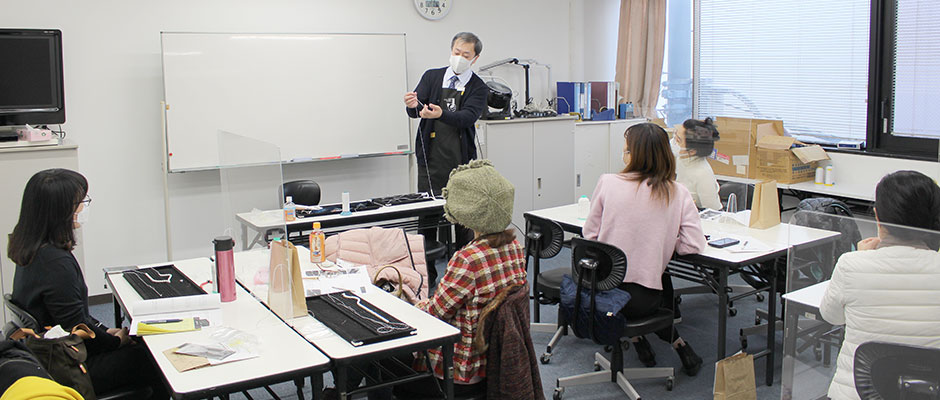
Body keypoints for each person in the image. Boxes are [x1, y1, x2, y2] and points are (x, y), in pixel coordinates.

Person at [9, 169, 167, 399]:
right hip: (70, 365)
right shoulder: (56, 263)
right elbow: (77, 325)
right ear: (60, 211)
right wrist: (113, 341)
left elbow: (75, 318)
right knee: (153, 356)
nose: (84, 207)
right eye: (80, 202)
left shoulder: (31, 248)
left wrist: (105, 332)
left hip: (49, 353)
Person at [582, 123, 706, 376]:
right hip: (643, 301)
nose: (624, 155)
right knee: (659, 276)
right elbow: (693, 245)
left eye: (626, 150)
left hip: (601, 291)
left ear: (635, 155)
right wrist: (663, 245)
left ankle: (640, 341)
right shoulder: (679, 193)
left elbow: (589, 236)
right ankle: (672, 343)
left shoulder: (607, 183)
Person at [819, 170, 940, 400]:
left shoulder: (852, 265)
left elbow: (831, 316)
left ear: (877, 217)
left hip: (856, 393)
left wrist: (862, 257)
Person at [404, 32, 488, 286]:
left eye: (466, 55)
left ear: (475, 58)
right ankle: (427, 277)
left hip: (461, 161)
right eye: (456, 52)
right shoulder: (432, 76)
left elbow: (467, 117)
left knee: (463, 221)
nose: (459, 58)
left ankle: (461, 277)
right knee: (427, 219)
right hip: (430, 159)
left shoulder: (478, 86)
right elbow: (416, 110)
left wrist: (441, 114)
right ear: (451, 49)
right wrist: (411, 105)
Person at [674, 117, 722, 210]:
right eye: (674, 135)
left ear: (692, 151)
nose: (674, 141)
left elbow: (712, 211)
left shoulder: (702, 173)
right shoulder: (681, 158)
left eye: (678, 140)